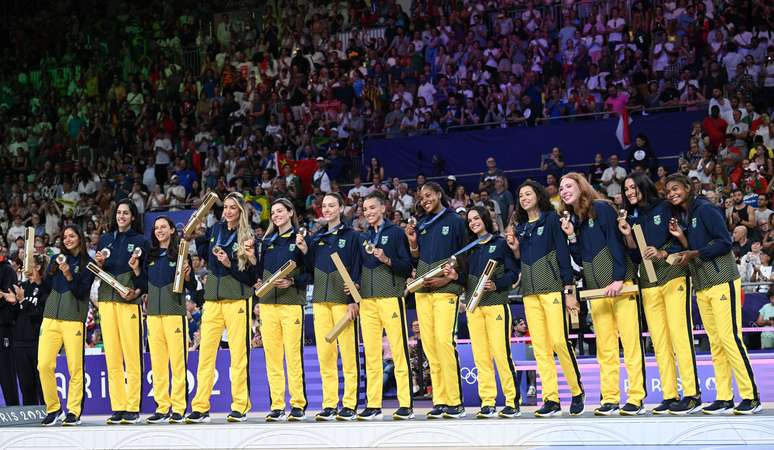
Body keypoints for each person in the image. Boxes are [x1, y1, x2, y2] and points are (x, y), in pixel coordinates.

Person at [665, 174, 762, 415]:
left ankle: (751, 396)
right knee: (716, 342)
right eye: (668, 191)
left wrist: (694, 253)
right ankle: (724, 397)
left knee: (730, 338)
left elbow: (724, 243)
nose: (672, 194)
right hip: (703, 285)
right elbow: (695, 247)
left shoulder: (706, 209)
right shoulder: (688, 215)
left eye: (675, 188)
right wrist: (682, 239)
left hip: (722, 281)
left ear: (688, 188)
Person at [558, 172, 646, 416]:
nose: (564, 190)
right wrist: (571, 236)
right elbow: (579, 258)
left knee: (630, 344)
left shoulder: (601, 208)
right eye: (561, 188)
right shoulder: (575, 219)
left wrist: (619, 278)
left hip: (621, 286)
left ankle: (636, 397)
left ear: (581, 186)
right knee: (604, 348)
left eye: (569, 185)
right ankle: (610, 398)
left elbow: (616, 242)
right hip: (596, 292)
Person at [618, 173, 701, 415]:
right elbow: (637, 252)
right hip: (649, 282)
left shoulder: (665, 207)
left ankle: (692, 394)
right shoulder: (633, 217)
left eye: (632, 187)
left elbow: (683, 240)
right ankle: (669, 394)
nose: (629, 192)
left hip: (673, 276)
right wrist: (627, 235)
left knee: (680, 337)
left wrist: (664, 253)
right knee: (660, 342)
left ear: (643, 185)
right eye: (626, 189)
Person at [510, 180, 584, 417]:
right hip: (529, 294)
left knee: (559, 342)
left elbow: (563, 255)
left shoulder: (551, 219)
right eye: (521, 195)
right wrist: (513, 248)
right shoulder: (520, 227)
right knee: (540, 348)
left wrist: (569, 289)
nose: (524, 198)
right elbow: (518, 261)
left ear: (538, 195)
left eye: (528, 193)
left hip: (552, 289)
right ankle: (550, 398)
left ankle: (576, 391)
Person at [186, 192, 256, 423]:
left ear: (241, 211)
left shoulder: (248, 235)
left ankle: (240, 406)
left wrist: (229, 263)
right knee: (205, 355)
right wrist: (197, 234)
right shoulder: (216, 230)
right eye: (225, 207)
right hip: (212, 302)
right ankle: (200, 407)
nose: (227, 211)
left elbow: (251, 275)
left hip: (237, 300)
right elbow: (206, 255)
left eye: (232, 208)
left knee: (238, 355)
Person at [296, 192, 362, 421]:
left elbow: (356, 268)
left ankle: (350, 404)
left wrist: (353, 299)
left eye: (332, 205)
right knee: (326, 356)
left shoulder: (352, 236)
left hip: (343, 304)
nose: (327, 209)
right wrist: (304, 249)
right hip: (320, 303)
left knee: (349, 355)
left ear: (341, 208)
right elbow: (308, 267)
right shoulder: (316, 238)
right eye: (324, 206)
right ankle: (330, 404)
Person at [404, 182, 467, 419]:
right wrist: (412, 243)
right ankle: (440, 400)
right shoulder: (422, 225)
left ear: (439, 195)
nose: (425, 200)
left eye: (429, 195)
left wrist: (451, 282)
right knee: (429, 346)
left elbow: (464, 256)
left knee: (444, 342)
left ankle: (455, 401)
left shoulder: (455, 221)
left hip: (445, 290)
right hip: (423, 291)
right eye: (422, 198)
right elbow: (418, 257)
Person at [456, 205, 520, 419]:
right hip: (474, 309)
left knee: (501, 355)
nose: (473, 222)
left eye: (476, 218)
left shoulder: (500, 243)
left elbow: (513, 273)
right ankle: (488, 401)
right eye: (470, 220)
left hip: (496, 305)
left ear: (485, 218)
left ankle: (512, 401)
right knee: (480, 357)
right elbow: (464, 279)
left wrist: (497, 284)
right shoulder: (469, 248)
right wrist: (452, 275)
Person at [356, 191, 414, 420]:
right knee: (371, 354)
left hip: (391, 297)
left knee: (399, 352)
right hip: (368, 302)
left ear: (383, 208)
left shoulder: (396, 233)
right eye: (365, 209)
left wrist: (387, 259)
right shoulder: (363, 237)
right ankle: (373, 404)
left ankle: (406, 403)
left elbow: (407, 265)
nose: (368, 212)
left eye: (372, 207)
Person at [131, 217, 193, 424]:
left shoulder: (181, 253)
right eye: (156, 228)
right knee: (157, 364)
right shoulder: (151, 254)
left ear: (173, 230)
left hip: (175, 313)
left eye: (163, 227)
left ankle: (179, 407)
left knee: (177, 363)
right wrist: (137, 270)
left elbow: (191, 285)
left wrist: (188, 275)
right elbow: (143, 284)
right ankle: (162, 406)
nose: (159, 231)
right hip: (154, 316)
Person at [252, 198, 309, 422]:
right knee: (272, 357)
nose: (276, 215)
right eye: (273, 212)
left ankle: (298, 405)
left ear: (290, 212)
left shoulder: (300, 238)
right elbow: (259, 272)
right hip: (268, 305)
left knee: (293, 356)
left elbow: (310, 272)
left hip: (291, 303)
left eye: (280, 211)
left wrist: (293, 283)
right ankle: (277, 405)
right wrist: (252, 262)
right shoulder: (267, 241)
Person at [95, 199, 149, 425]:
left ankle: (133, 406)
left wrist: (136, 293)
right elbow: (97, 271)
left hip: (129, 303)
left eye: (126, 213)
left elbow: (144, 276)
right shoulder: (106, 239)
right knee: (113, 358)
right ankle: (118, 406)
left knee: (132, 356)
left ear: (133, 217)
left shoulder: (141, 241)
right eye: (118, 212)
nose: (121, 216)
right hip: (107, 303)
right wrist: (98, 263)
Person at [37, 225, 95, 426]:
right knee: (43, 365)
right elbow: (46, 287)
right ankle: (53, 408)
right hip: (50, 317)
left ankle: (73, 411)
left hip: (73, 319)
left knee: (75, 368)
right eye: (65, 236)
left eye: (72, 236)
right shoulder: (55, 259)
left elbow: (81, 292)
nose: (68, 239)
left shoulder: (88, 263)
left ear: (80, 238)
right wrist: (37, 278)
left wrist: (69, 274)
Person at [2, 254, 48, 406]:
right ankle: (31, 417)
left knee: (42, 383)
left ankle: (50, 412)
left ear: (38, 267)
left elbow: (40, 314)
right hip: (19, 343)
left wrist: (22, 300)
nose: (23, 267)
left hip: (37, 342)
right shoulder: (22, 286)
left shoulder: (46, 288)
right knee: (26, 385)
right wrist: (14, 302)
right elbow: (16, 315)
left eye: (27, 263)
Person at [0, 245, 19, 407]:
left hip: (3, 327)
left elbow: (10, 298)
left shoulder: (7, 270)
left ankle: (13, 409)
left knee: (6, 371)